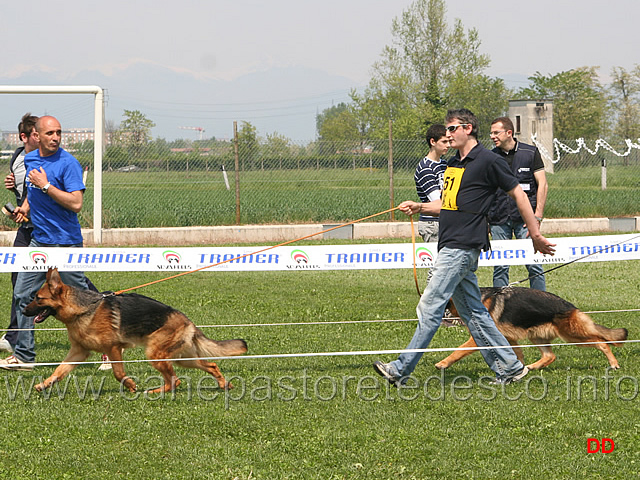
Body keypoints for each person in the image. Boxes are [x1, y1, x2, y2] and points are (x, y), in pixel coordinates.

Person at [373, 108, 556, 385]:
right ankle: (510, 368)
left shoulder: (487, 160)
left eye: (451, 129)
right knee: (475, 313)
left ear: (467, 128)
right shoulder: (455, 164)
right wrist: (420, 205)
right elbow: (449, 203)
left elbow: (518, 192)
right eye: (446, 130)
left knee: (431, 305)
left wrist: (534, 233)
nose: (447, 135)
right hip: (451, 244)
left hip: (461, 247)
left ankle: (399, 370)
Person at [0, 115, 92, 370]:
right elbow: (32, 190)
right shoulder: (31, 159)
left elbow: (76, 203)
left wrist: (47, 185)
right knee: (22, 294)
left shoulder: (68, 163)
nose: (55, 138)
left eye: (58, 133)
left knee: (81, 300)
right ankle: (24, 356)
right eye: (50, 133)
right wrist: (25, 208)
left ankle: (105, 348)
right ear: (36, 136)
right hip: (39, 242)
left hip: (66, 243)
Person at [488, 116, 548, 290]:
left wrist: (538, 216)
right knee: (500, 267)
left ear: (509, 133)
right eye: (491, 133)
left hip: (525, 221)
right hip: (498, 220)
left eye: (496, 132)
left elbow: (542, 184)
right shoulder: (490, 157)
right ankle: (501, 307)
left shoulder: (530, 153)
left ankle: (540, 305)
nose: (492, 136)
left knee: (534, 264)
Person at [0, 114, 40, 353]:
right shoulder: (17, 156)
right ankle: (14, 337)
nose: (43, 137)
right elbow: (23, 187)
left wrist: (26, 206)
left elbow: (38, 191)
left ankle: (105, 311)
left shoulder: (46, 159)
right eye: (36, 133)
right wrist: (12, 183)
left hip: (47, 229)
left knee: (71, 281)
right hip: (25, 227)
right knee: (18, 279)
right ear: (24, 137)